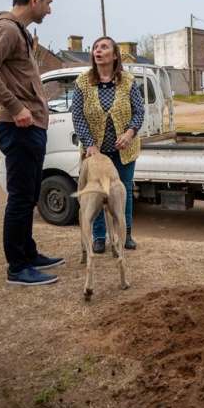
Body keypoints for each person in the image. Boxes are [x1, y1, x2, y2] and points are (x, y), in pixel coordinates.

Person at [0, 0, 64, 286]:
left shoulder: (19, 32)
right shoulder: (7, 29)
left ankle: (28, 253)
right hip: (20, 127)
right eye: (48, 2)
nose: (50, 10)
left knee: (29, 195)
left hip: (29, 127)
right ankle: (17, 268)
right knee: (21, 199)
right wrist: (16, 107)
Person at [71, 36, 144, 254]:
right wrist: (90, 145)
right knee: (95, 192)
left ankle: (125, 234)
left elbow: (139, 111)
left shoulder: (128, 81)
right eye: (95, 47)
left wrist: (130, 133)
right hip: (96, 153)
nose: (98, 51)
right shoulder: (83, 82)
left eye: (104, 47)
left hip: (125, 151)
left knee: (124, 192)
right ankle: (99, 237)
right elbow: (78, 116)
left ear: (114, 55)